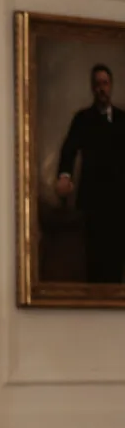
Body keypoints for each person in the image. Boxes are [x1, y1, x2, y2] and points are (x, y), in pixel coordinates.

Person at [55, 63, 125, 283]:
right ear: (92, 88)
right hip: (93, 201)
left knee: (116, 260)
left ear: (111, 86)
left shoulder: (124, 119)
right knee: (94, 259)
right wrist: (65, 176)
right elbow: (68, 150)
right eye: (97, 84)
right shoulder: (82, 119)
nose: (101, 89)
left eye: (105, 83)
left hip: (119, 202)